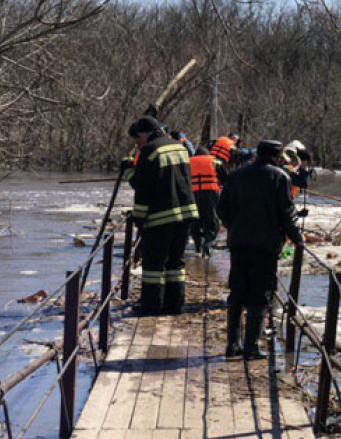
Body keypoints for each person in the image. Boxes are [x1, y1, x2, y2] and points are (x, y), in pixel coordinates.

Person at [216, 139, 304, 359]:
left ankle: (232, 345)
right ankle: (251, 347)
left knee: (236, 294)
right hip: (265, 247)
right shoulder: (279, 177)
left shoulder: (236, 175)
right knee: (258, 296)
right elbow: (287, 213)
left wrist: (232, 226)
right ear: (277, 157)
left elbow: (221, 207)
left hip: (238, 243)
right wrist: (297, 238)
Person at [128, 115, 198, 315]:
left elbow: (144, 188)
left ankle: (151, 306)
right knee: (176, 262)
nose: (137, 143)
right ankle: (174, 304)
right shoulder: (179, 147)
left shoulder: (150, 151)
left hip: (160, 216)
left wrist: (139, 218)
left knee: (153, 264)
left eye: (137, 138)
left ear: (146, 133)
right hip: (185, 214)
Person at [189, 146, 225, 256]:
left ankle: (197, 245)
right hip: (211, 192)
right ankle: (208, 243)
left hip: (193, 193)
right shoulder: (215, 161)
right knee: (211, 218)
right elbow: (225, 177)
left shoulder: (188, 162)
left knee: (195, 219)